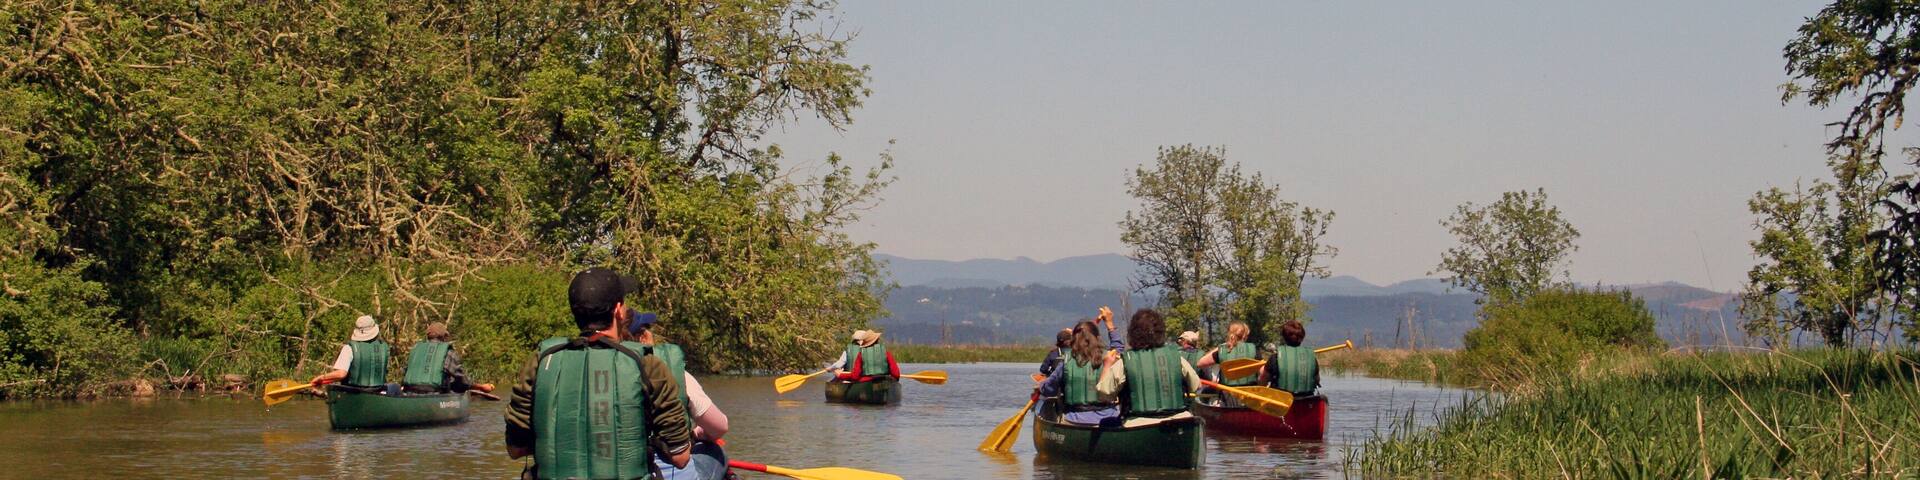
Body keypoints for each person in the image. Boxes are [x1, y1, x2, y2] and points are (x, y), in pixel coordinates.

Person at [504, 267, 693, 479]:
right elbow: (681, 457)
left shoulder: (541, 361)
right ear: (619, 310)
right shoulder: (647, 364)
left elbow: (516, 450)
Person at [623, 311, 729, 480]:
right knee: (715, 452)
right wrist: (699, 434)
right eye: (648, 328)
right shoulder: (674, 372)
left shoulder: (605, 378)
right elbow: (720, 427)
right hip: (669, 472)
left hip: (627, 469)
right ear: (642, 338)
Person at [1097, 309, 1202, 421]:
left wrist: (1107, 366)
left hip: (1139, 425)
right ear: (1161, 332)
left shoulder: (1125, 362)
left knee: (1106, 422)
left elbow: (1103, 395)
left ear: (1133, 334)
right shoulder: (1177, 358)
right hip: (1179, 421)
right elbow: (1196, 386)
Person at [1036, 320, 1120, 425]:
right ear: (1098, 338)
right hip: (1108, 419)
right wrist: (1110, 325)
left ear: (1073, 340)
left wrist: (1041, 386)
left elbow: (1049, 389)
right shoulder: (1110, 358)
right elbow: (1119, 349)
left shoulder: (1066, 362)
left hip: (1074, 420)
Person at [401, 322, 494, 394]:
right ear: (444, 337)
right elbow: (463, 380)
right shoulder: (448, 353)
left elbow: (405, 374)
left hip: (409, 394)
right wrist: (481, 387)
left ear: (427, 336)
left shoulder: (415, 350)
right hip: (435, 396)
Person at [310, 315, 390, 392]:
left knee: (334, 387)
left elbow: (341, 374)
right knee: (394, 387)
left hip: (354, 391)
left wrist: (322, 377)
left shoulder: (349, 348)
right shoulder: (384, 347)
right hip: (377, 390)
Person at [1262, 320, 1321, 396]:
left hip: (1281, 400)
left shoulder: (1275, 357)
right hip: (1306, 400)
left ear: (1284, 337)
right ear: (1302, 338)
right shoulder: (1312, 358)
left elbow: (1263, 380)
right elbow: (1317, 379)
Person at [1194, 322, 1260, 386]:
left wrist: (1220, 347)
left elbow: (1200, 363)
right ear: (1245, 335)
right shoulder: (1254, 349)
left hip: (1228, 394)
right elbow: (1262, 373)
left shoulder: (1222, 350)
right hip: (1249, 393)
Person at [829, 330, 900, 382]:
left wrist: (840, 375)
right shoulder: (886, 353)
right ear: (877, 340)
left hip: (866, 381)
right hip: (884, 380)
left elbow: (855, 376)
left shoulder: (861, 354)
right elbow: (896, 374)